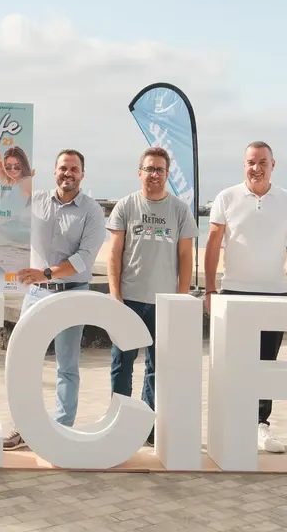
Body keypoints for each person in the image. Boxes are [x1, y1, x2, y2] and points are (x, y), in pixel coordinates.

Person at [204, 141, 287, 454]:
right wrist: (210, 289)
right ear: (244, 165)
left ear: (273, 165)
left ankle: (260, 425)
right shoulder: (226, 197)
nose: (256, 168)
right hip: (233, 293)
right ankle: (231, 424)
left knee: (267, 365)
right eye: (251, 162)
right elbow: (212, 243)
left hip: (275, 294)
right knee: (233, 362)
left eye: (263, 162)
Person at [3, 150, 106, 450]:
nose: (68, 173)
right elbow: (5, 206)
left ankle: (61, 429)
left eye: (74, 169)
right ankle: (23, 428)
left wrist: (46, 273)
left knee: (67, 365)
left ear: (82, 174)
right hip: (36, 293)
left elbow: (84, 258)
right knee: (24, 362)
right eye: (63, 168)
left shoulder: (92, 211)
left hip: (73, 292)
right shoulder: (36, 201)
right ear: (54, 172)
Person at [106, 146, 197, 445]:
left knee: (158, 367)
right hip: (129, 300)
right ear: (139, 172)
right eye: (149, 169)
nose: (154, 174)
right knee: (122, 365)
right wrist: (115, 295)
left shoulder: (180, 209)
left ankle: (148, 427)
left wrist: (181, 298)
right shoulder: (126, 206)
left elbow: (186, 257)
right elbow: (114, 253)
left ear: (167, 174)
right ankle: (119, 421)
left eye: (160, 169)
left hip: (164, 303)